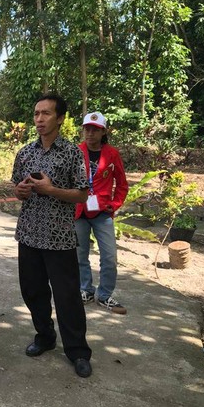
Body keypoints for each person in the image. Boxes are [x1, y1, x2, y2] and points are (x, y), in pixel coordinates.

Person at [11, 94, 93, 378]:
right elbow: (17, 187)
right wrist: (21, 191)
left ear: (60, 118)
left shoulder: (72, 153)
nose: (40, 119)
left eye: (46, 114)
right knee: (32, 292)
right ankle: (44, 336)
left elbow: (82, 194)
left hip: (59, 238)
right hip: (29, 234)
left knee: (67, 296)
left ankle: (78, 351)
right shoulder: (25, 152)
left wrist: (51, 189)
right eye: (36, 114)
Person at [75, 112, 129, 315]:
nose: (90, 133)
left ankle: (105, 295)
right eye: (87, 129)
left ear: (103, 131)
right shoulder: (76, 151)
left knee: (109, 256)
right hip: (79, 211)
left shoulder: (112, 154)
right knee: (80, 255)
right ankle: (85, 290)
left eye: (95, 130)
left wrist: (114, 204)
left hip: (102, 213)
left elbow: (122, 185)